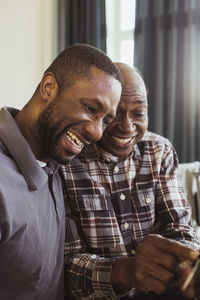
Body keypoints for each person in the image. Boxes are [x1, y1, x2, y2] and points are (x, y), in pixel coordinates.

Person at [62, 63, 200, 299]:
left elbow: (179, 227)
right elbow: (68, 269)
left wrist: (186, 262)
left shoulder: (159, 150)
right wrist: (126, 271)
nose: (127, 126)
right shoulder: (67, 161)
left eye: (138, 113)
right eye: (115, 114)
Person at [0, 43, 122, 300]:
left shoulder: (55, 162)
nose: (97, 132)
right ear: (49, 88)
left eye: (106, 120)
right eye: (90, 108)